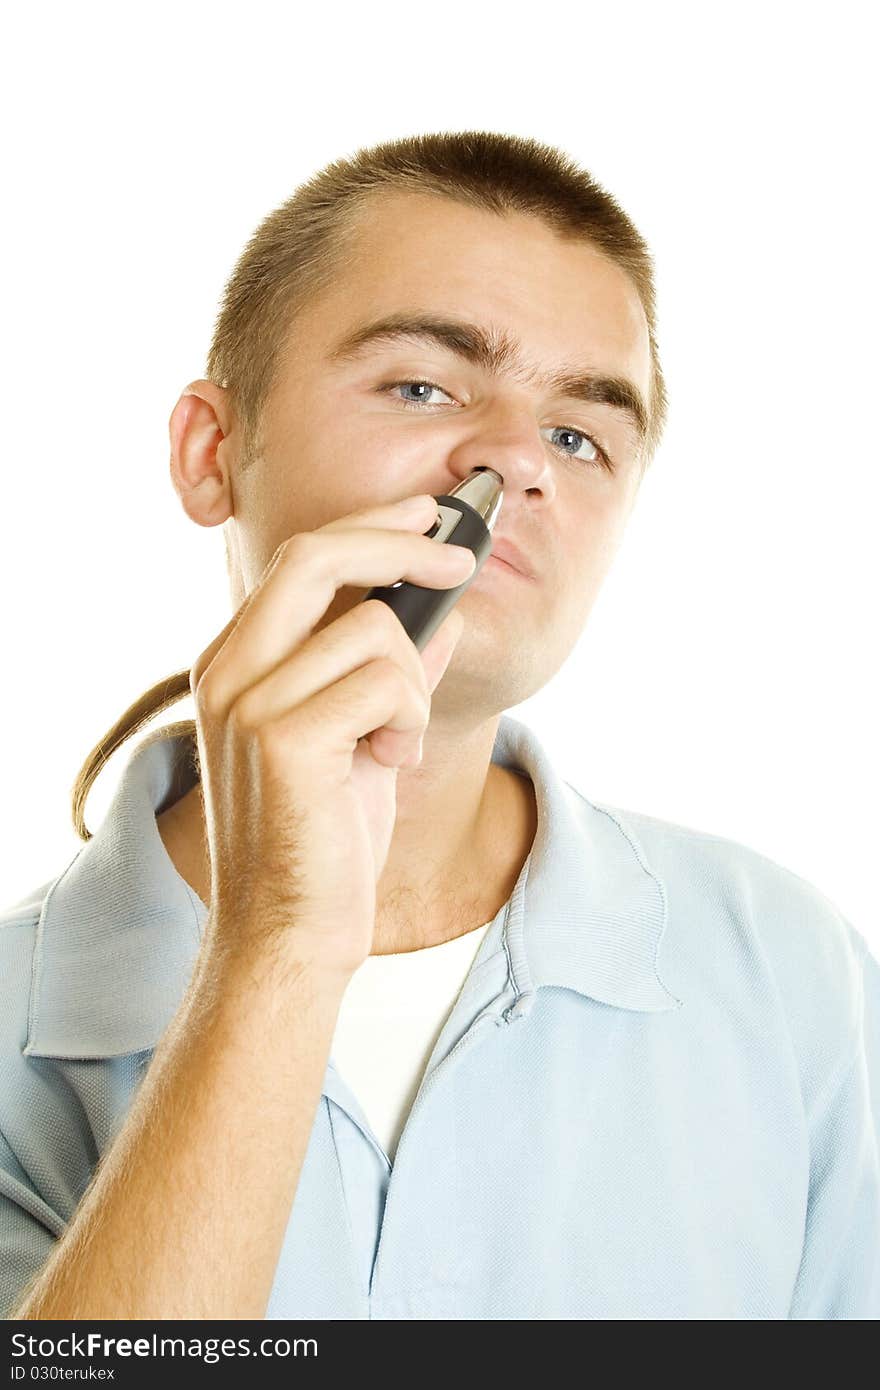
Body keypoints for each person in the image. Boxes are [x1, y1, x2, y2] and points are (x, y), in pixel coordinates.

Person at [1, 129, 878, 1322]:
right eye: (424, 384)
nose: (514, 461)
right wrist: (280, 945)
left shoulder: (791, 971)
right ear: (213, 452)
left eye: (578, 434)